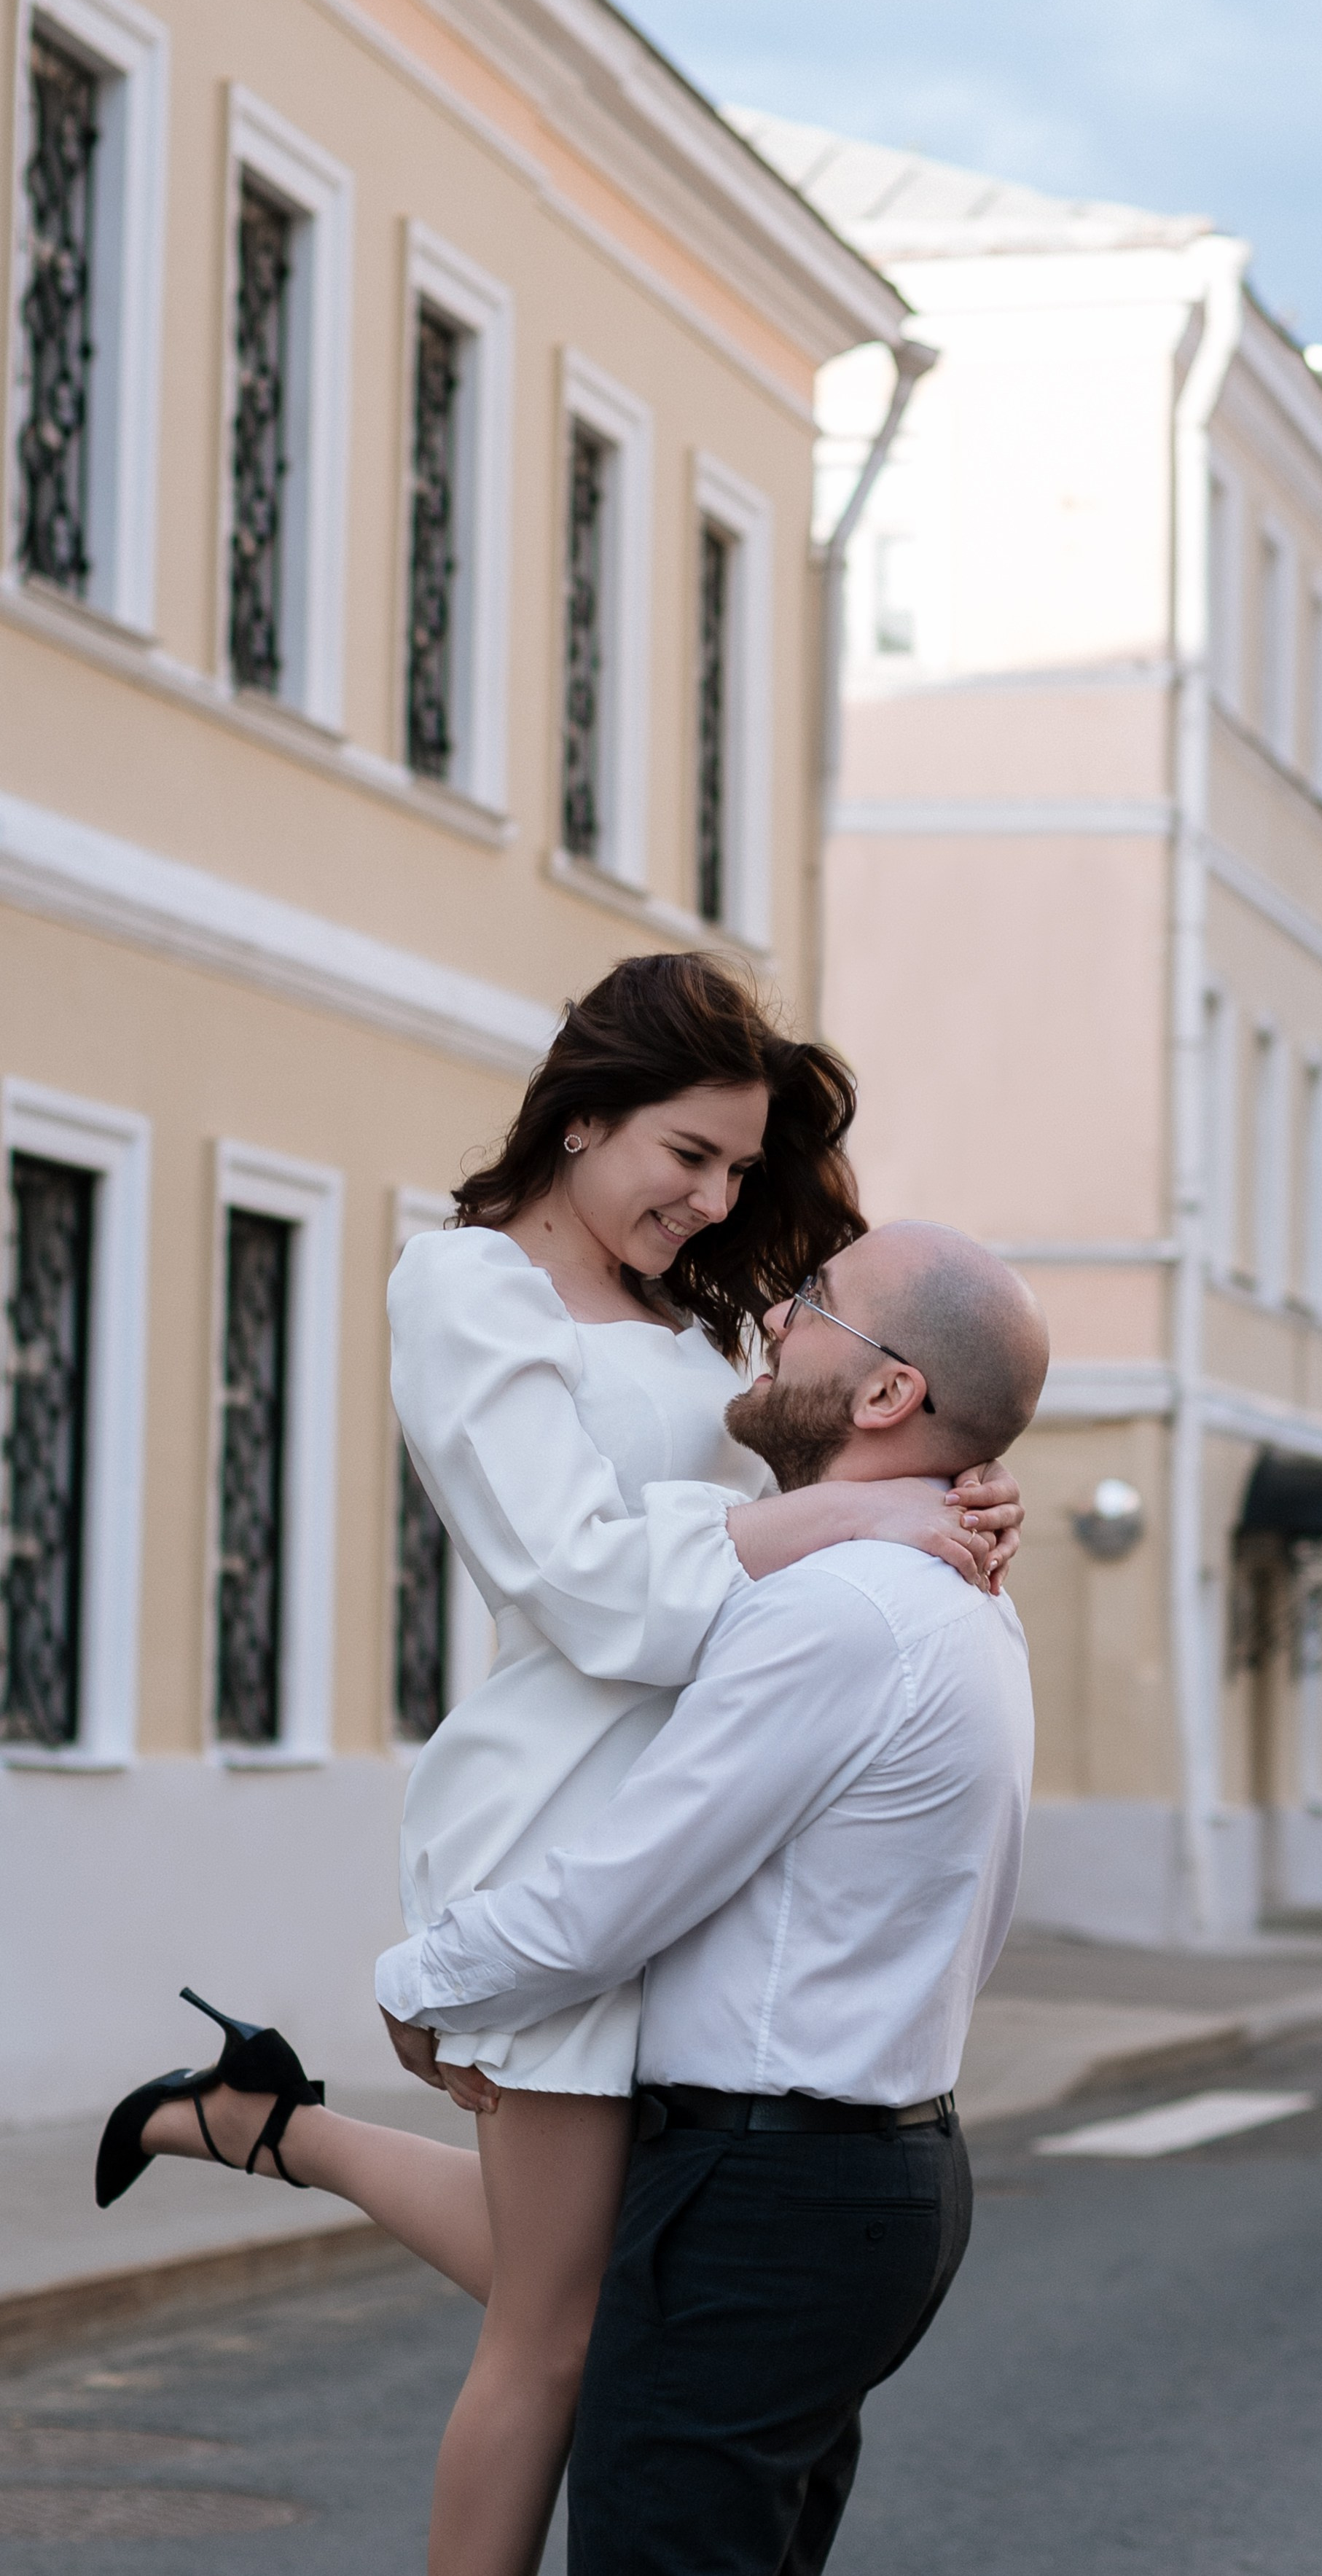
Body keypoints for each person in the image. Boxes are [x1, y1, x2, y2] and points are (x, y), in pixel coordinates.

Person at [95, 956, 1024, 2576]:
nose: (718, 1196)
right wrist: (853, 1513)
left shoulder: (699, 1304)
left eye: (740, 1167)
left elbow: (859, 1400)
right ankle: (258, 2121)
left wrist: (949, 1480)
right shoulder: (467, 1289)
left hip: (682, 1824)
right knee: (556, 2337)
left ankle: (259, 2118)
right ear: (586, 1115)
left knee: (580, 2275)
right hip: (562, 1816)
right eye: (689, 1155)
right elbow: (582, 1583)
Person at [378, 1217, 1048, 2575]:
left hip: (769, 2194)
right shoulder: (957, 1598)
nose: (773, 1319)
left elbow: (624, 1890)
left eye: (813, 1301)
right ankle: (262, 2123)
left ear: (885, 1393)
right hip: (874, 2169)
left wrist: (422, 1981)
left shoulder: (842, 1610)